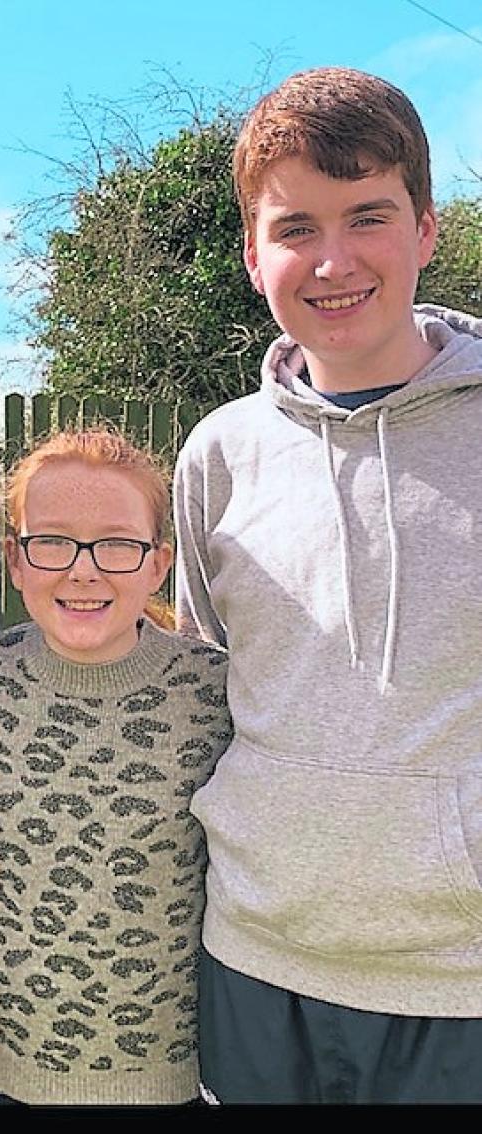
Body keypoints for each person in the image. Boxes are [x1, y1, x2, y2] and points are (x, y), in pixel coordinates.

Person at [173, 65, 482, 1105]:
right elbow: (210, 686)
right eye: (294, 227)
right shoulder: (217, 455)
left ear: (425, 228)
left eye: (367, 216)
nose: (332, 260)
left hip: (459, 980)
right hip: (256, 958)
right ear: (251, 254)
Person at [0, 427, 232, 1106]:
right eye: (52, 541)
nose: (83, 570)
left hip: (172, 1083)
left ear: (158, 564)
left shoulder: (213, 694)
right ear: (14, 560)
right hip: (9, 1075)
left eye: (116, 544)